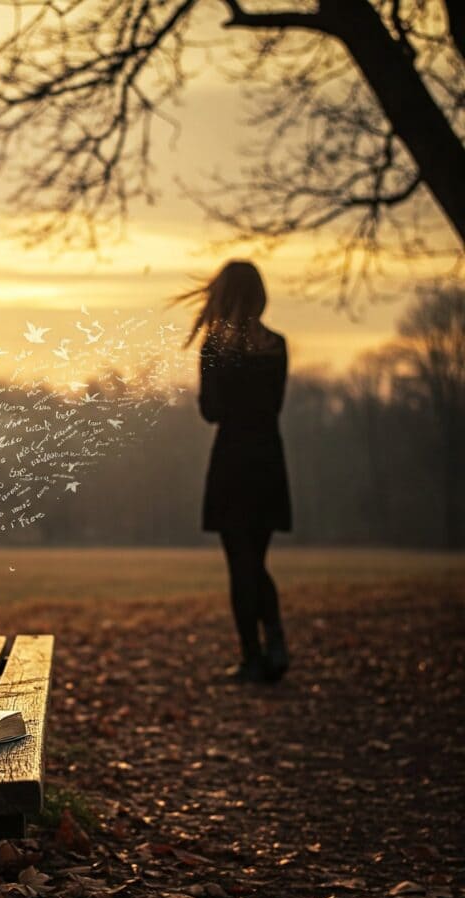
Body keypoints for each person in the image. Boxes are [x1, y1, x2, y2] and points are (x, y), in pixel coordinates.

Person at [183, 260, 291, 682]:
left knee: (240, 563)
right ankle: (275, 642)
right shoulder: (277, 345)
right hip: (268, 460)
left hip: (231, 461)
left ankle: (252, 656)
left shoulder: (215, 348)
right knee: (257, 561)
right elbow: (275, 406)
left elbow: (211, 412)